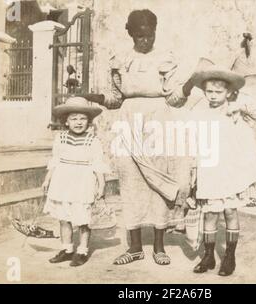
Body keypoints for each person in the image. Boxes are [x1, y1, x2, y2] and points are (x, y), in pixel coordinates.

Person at [101, 9, 192, 266]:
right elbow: (115, 99)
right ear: (130, 33)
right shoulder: (119, 60)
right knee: (130, 183)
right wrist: (97, 98)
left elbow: (174, 98)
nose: (145, 40)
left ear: (155, 33)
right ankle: (135, 247)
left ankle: (159, 247)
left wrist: (190, 84)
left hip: (158, 123)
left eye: (149, 35)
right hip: (127, 124)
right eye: (139, 36)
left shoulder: (166, 59)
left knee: (158, 183)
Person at [187, 57, 256, 276]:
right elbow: (195, 142)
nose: (213, 96)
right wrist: (194, 170)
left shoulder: (235, 111)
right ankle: (208, 256)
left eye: (218, 92)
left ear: (228, 92)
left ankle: (229, 256)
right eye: (209, 92)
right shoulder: (200, 114)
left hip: (230, 169)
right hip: (209, 169)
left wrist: (241, 104)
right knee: (209, 213)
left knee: (229, 210)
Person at [42, 97, 110, 267]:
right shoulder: (61, 138)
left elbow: (97, 165)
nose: (78, 122)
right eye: (74, 119)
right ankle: (67, 249)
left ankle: (82, 251)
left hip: (83, 182)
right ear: (66, 121)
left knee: (82, 219)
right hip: (62, 181)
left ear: (88, 121)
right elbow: (55, 159)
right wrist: (47, 179)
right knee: (64, 218)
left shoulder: (93, 141)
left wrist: (101, 184)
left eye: (83, 118)